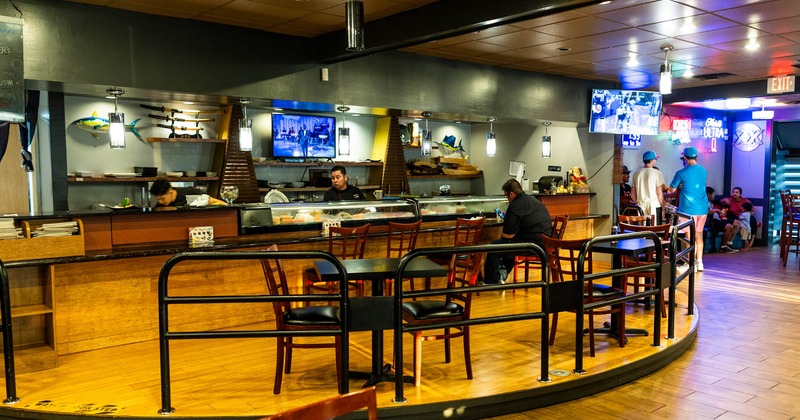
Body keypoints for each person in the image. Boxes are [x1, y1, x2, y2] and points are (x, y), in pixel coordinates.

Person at [484, 179, 552, 285]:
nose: (507, 198)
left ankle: (490, 282)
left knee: (494, 247)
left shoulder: (515, 205)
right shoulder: (535, 201)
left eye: (506, 196)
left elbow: (507, 235)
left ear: (511, 194)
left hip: (532, 246)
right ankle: (501, 274)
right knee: (509, 247)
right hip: (547, 245)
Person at [668, 146, 708, 272]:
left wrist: (678, 186)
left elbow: (671, 190)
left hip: (688, 209)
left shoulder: (681, 172)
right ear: (696, 157)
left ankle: (690, 264)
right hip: (703, 208)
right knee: (699, 236)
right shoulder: (703, 170)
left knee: (689, 237)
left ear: (684, 157)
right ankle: (699, 262)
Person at [631, 150, 665, 224]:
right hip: (654, 204)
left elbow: (632, 195)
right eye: (655, 159)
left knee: (642, 230)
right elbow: (659, 194)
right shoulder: (657, 173)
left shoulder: (636, 173)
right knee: (655, 230)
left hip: (641, 205)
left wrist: (638, 202)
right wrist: (663, 208)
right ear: (652, 160)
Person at [149, 178, 225, 207]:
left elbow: (213, 201)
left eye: (162, 198)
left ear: (170, 192)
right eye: (158, 199)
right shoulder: (160, 206)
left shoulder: (190, 193)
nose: (160, 202)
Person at [706, 187, 738, 253]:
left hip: (718, 218)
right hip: (712, 221)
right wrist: (717, 210)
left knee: (736, 223)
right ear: (708, 194)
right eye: (712, 194)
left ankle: (729, 243)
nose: (713, 196)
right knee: (729, 227)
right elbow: (705, 212)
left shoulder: (711, 202)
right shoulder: (703, 202)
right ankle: (723, 247)